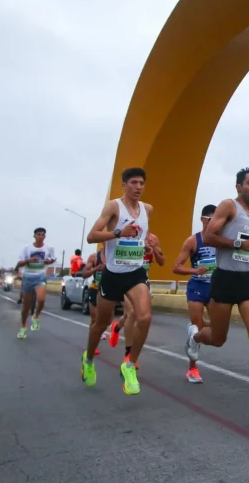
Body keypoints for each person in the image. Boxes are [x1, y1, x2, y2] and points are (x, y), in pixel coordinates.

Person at [185, 168, 249, 420]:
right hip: (225, 279)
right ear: (239, 187)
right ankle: (196, 337)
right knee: (218, 338)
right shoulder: (228, 206)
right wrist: (238, 244)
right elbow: (209, 236)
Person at [81, 167, 161, 395]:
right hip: (113, 274)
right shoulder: (113, 206)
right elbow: (91, 236)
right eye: (134, 183)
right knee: (101, 324)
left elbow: (141, 234)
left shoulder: (147, 209)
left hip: (135, 273)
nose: (138, 187)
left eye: (141, 183)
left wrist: (144, 244)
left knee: (144, 317)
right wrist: (118, 233)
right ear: (124, 185)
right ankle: (87, 360)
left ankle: (129, 364)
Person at [172, 204, 217, 383]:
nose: (214, 224)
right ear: (202, 219)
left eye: (217, 220)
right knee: (197, 328)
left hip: (215, 289)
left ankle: (193, 329)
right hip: (197, 287)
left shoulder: (220, 240)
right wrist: (194, 271)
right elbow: (176, 267)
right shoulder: (193, 241)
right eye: (210, 219)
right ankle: (192, 369)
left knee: (217, 330)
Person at [106, 232, 164, 366]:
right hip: (127, 279)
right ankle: (128, 354)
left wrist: (154, 248)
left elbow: (162, 262)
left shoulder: (153, 238)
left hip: (142, 281)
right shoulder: (125, 234)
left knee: (133, 315)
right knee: (131, 313)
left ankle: (116, 327)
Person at [15, 228, 56, 339]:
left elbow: (53, 259)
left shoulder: (49, 248)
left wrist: (49, 261)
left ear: (45, 236)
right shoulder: (27, 248)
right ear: (34, 236)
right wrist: (28, 260)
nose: (40, 236)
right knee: (26, 307)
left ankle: (36, 316)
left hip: (40, 276)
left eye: (43, 235)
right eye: (38, 234)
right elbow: (19, 263)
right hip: (28, 277)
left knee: (41, 299)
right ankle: (23, 327)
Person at [76, 249, 106, 355]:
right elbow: (84, 274)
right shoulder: (94, 257)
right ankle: (93, 346)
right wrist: (97, 268)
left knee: (105, 321)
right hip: (95, 289)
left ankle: (99, 335)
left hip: (108, 291)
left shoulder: (117, 257)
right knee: (94, 319)